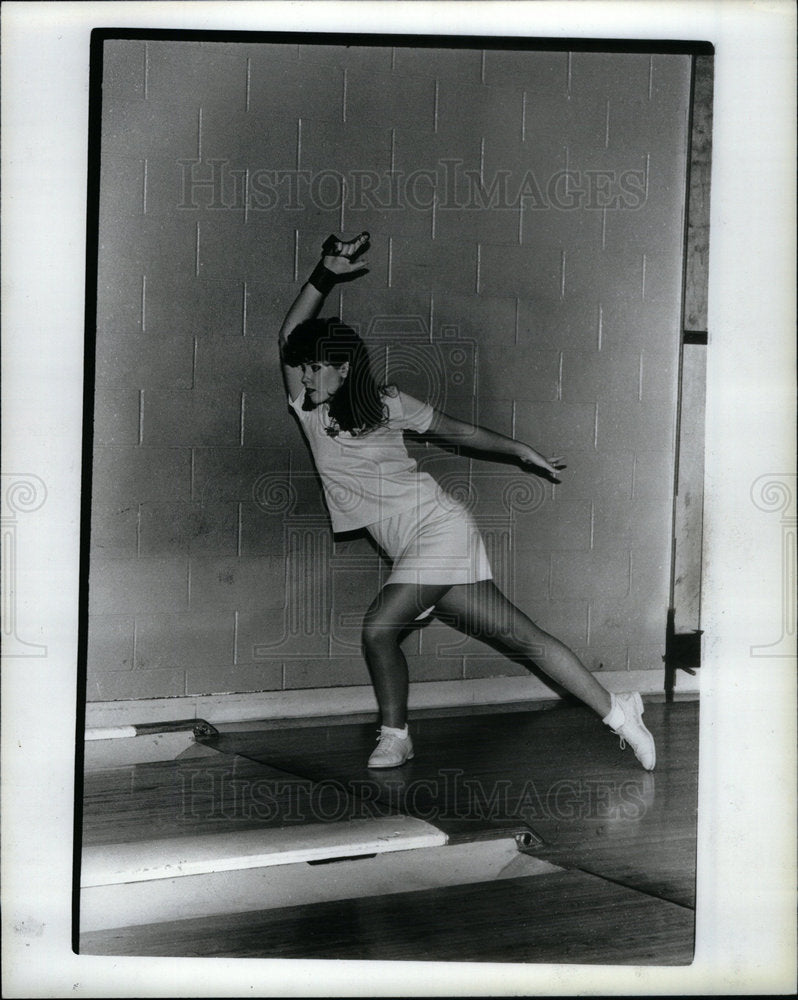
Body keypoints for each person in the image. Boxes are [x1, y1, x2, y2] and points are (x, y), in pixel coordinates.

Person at [278, 232, 656, 772]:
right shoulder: (308, 409)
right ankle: (620, 711)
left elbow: (463, 433)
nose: (306, 376)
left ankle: (396, 735)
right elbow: (289, 334)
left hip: (440, 528)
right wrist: (325, 272)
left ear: (341, 367)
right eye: (303, 369)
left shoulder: (390, 404)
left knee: (379, 628)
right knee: (520, 636)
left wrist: (521, 450)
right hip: (410, 546)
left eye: (315, 367)